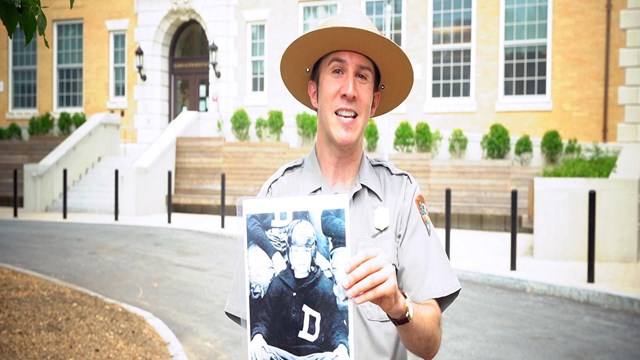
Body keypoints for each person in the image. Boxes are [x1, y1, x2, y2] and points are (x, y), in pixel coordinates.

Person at [226, 7, 461, 359]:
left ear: (374, 101)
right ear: (315, 94)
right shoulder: (277, 194)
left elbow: (430, 344)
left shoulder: (401, 195)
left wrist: (399, 306)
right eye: (337, 71)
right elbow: (256, 326)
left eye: (362, 76)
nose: (349, 89)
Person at [249, 219, 349, 359]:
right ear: (289, 251)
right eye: (296, 251)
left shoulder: (324, 286)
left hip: (313, 355)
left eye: (306, 251)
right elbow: (263, 320)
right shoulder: (279, 283)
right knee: (256, 351)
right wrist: (258, 336)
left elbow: (336, 325)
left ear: (313, 253)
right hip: (282, 354)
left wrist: (342, 346)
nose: (300, 257)